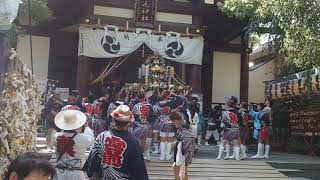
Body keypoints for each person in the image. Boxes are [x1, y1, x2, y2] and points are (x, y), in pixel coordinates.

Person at [84, 105, 149, 180]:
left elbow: (93, 161)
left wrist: (92, 173)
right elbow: (138, 169)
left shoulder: (102, 136)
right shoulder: (133, 142)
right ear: (129, 122)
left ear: (113, 120)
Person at [53, 105, 94, 180]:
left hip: (59, 173)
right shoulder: (83, 138)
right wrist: (86, 126)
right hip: (76, 174)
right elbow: (91, 141)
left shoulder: (56, 136)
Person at [170, 111, 196, 180]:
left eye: (173, 121)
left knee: (181, 170)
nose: (172, 123)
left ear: (176, 120)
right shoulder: (182, 125)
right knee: (179, 169)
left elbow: (187, 141)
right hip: (183, 150)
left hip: (185, 151)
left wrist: (175, 143)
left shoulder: (184, 128)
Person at [216, 96, 244, 160]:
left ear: (228, 105)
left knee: (223, 142)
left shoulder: (225, 112)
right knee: (236, 142)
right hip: (236, 129)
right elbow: (241, 120)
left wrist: (221, 128)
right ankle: (237, 157)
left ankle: (220, 156)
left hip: (228, 129)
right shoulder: (237, 112)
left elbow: (223, 121)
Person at [132, 92, 154, 161]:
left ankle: (137, 156)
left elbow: (134, 115)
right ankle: (147, 156)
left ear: (138, 98)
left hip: (138, 125)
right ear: (144, 98)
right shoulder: (150, 106)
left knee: (137, 141)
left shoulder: (136, 106)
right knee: (144, 141)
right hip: (147, 125)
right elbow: (151, 116)